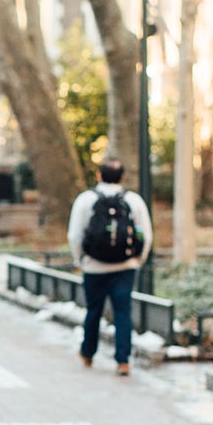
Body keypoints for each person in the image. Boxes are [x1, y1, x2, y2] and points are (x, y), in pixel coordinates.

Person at [67, 158, 153, 377]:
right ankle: (123, 361)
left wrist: (81, 260)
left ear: (98, 175)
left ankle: (88, 353)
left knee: (93, 310)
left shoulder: (85, 200)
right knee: (123, 312)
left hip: (94, 267)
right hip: (125, 267)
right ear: (122, 176)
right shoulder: (134, 200)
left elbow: (74, 235)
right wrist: (137, 260)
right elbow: (146, 234)